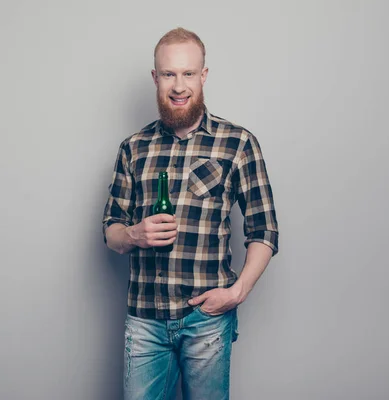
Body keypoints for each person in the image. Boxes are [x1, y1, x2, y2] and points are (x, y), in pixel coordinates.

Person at [102, 27, 279, 400]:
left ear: (203, 75)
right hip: (145, 319)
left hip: (207, 321)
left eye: (187, 73)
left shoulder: (238, 143)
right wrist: (133, 234)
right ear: (155, 78)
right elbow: (111, 230)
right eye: (168, 74)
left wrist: (237, 292)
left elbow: (264, 231)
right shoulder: (133, 148)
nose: (178, 86)